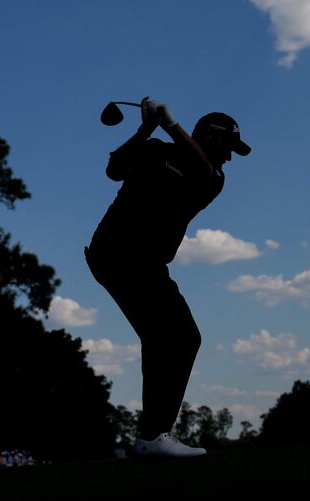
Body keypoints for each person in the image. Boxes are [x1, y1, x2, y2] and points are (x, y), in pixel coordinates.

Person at [85, 98, 250, 458]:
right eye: (228, 145)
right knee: (178, 337)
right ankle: (153, 435)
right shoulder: (157, 150)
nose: (230, 156)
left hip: (143, 263)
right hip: (117, 253)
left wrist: (168, 123)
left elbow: (203, 169)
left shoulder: (213, 176)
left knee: (172, 338)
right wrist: (146, 128)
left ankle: (152, 435)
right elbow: (114, 169)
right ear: (209, 135)